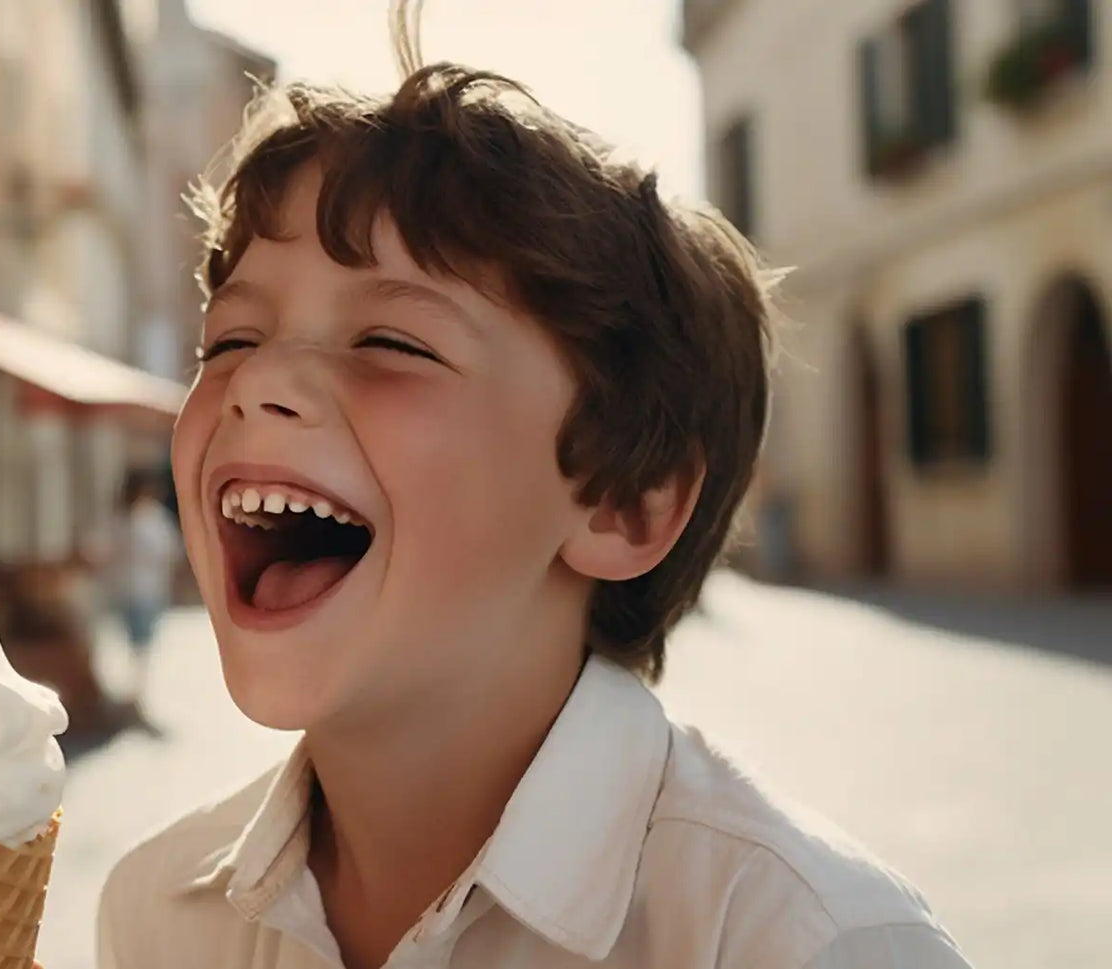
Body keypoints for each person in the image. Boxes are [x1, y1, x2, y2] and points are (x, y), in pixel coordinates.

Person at [95, 24, 971, 969]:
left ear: (625, 503)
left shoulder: (809, 942)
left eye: (393, 343)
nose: (258, 381)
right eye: (228, 340)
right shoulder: (155, 913)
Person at [109, 469, 182, 701]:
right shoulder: (122, 519)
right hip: (126, 589)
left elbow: (170, 553)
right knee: (133, 642)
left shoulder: (155, 518)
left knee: (143, 643)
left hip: (149, 589)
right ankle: (134, 690)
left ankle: (137, 690)